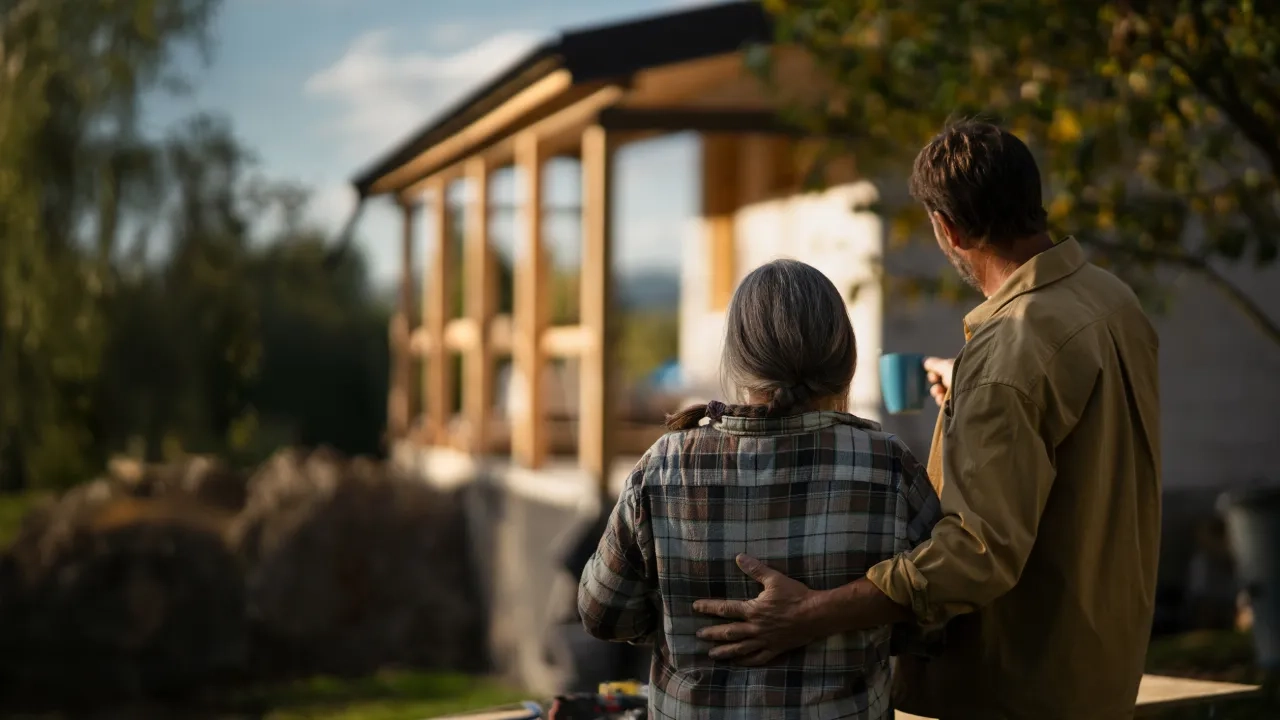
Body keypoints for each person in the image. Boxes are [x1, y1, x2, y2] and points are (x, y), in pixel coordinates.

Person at [692, 121, 1162, 720]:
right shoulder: (1111, 301)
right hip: (1103, 663)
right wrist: (968, 397)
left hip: (1017, 683)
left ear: (948, 228)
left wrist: (809, 613)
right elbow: (1079, 444)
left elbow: (974, 556)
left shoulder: (1009, 355)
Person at [576, 259, 941, 720]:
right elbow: (936, 618)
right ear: (844, 355)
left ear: (737, 357)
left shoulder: (664, 466)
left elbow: (602, 613)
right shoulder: (888, 464)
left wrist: (681, 620)